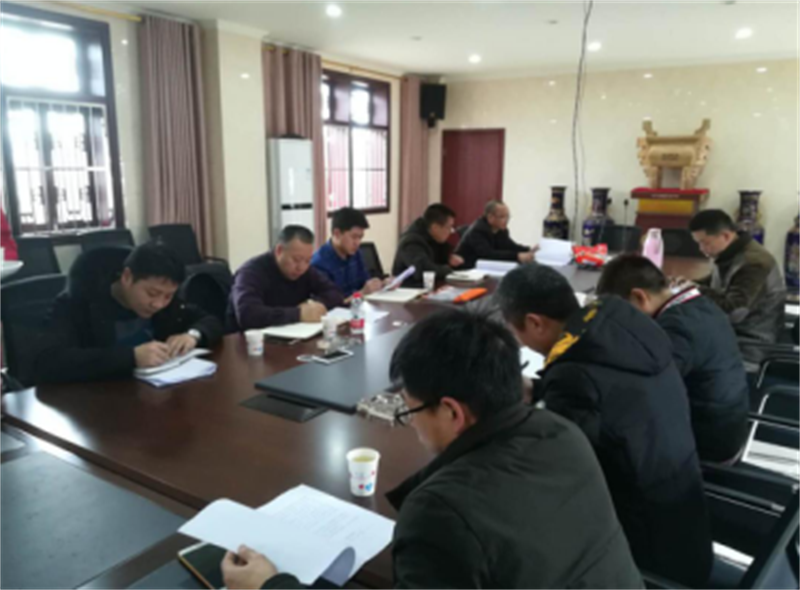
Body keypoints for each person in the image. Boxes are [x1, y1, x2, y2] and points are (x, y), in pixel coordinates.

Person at [221, 310, 644, 590]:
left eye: (411, 410)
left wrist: (270, 586)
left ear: (452, 412)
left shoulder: (442, 513)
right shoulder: (561, 432)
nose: (411, 424)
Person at [497, 264, 713, 587]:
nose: (524, 344)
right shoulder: (622, 326)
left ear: (535, 322)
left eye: (518, 335)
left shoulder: (573, 376)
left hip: (642, 553)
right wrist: (541, 389)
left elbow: (562, 469)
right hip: (686, 523)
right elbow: (615, 395)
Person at [597, 254, 750, 463]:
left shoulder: (676, 329)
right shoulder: (696, 303)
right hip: (727, 420)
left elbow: (647, 390)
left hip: (709, 440)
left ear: (640, 297)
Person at [35, 243, 223, 384]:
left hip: (152, 394)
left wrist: (192, 335)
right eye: (152, 293)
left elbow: (209, 320)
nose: (158, 304)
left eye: (168, 296)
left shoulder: (166, 302)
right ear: (126, 277)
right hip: (98, 404)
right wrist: (130, 357)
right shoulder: (78, 303)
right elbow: (48, 362)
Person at [688, 209, 786, 370]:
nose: (701, 249)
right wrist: (688, 283)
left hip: (749, 346)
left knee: (678, 355)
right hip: (727, 335)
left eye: (705, 243)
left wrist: (696, 289)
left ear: (726, 236)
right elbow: (716, 284)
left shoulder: (754, 263)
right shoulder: (730, 254)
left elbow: (735, 312)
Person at [226, 226, 343, 331]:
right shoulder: (251, 272)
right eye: (296, 260)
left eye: (308, 260)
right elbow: (247, 314)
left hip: (291, 336)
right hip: (247, 342)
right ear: (279, 251)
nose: (301, 267)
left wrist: (314, 306)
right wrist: (298, 314)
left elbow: (334, 293)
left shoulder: (305, 270)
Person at [311, 207, 384, 298]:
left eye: (360, 237)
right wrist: (361, 293)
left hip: (359, 305)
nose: (357, 243)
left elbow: (366, 282)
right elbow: (333, 302)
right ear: (337, 233)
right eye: (354, 237)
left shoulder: (355, 253)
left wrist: (382, 284)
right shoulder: (319, 264)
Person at [392, 204, 463, 287]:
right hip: (410, 290)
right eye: (448, 227)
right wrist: (448, 269)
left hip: (429, 287)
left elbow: (442, 257)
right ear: (435, 227)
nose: (450, 232)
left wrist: (449, 258)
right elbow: (423, 270)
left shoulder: (434, 236)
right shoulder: (411, 242)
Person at [455, 200, 534, 268]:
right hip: (466, 269)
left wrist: (529, 250)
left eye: (508, 217)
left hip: (486, 268)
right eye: (502, 217)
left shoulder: (501, 231)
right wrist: (517, 256)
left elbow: (510, 246)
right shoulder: (478, 231)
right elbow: (488, 254)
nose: (506, 220)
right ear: (490, 217)